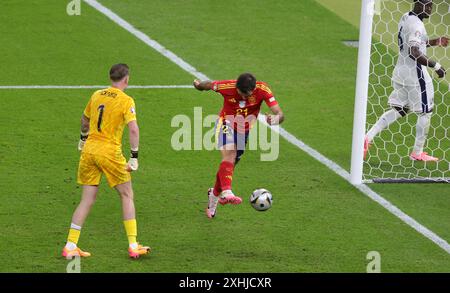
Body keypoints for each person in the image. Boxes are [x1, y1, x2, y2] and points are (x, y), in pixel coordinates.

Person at [62, 64, 150, 259]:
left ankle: (70, 245)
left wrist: (83, 138)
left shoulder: (97, 95)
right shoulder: (126, 100)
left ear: (111, 78)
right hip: (109, 152)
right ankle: (133, 245)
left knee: (86, 199)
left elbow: (85, 121)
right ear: (126, 79)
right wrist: (134, 157)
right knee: (127, 195)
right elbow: (134, 130)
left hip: (89, 151)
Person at [364, 0, 448, 161]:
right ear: (417, 4)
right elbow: (414, 52)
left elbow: (415, 43)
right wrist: (436, 66)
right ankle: (417, 152)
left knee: (400, 110)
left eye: (431, 6)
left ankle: (367, 137)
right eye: (426, 5)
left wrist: (435, 41)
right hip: (416, 75)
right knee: (425, 112)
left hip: (400, 72)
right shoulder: (417, 25)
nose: (430, 9)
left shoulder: (406, 17)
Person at [194, 73, 284, 218]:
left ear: (253, 89)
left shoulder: (263, 90)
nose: (243, 97)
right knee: (230, 154)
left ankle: (214, 194)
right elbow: (209, 85)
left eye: (246, 94)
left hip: (244, 131)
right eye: (240, 93)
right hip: (225, 123)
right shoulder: (227, 86)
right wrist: (198, 86)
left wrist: (276, 118)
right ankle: (227, 191)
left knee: (229, 165)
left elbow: (280, 113)